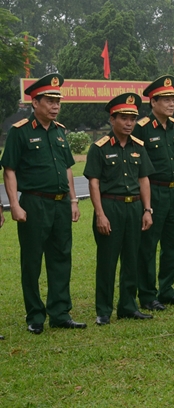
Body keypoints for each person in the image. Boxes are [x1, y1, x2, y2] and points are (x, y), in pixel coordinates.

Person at [0, 73, 86, 334]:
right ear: (34, 102)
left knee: (61, 257)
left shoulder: (60, 133)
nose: (55, 106)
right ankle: (35, 315)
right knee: (32, 260)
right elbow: (10, 170)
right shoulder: (20, 132)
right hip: (35, 203)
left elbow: (69, 169)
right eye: (49, 101)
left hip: (61, 204)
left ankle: (60, 312)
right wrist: (14, 203)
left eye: (57, 101)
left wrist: (73, 200)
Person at [84, 93, 154, 325]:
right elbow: (93, 182)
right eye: (124, 118)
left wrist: (147, 209)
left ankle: (128, 306)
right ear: (112, 119)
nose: (129, 123)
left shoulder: (139, 147)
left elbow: (144, 179)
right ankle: (103, 310)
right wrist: (100, 214)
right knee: (107, 260)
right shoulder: (99, 148)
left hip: (134, 208)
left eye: (132, 119)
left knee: (132, 259)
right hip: (110, 207)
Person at [134, 75, 174, 311]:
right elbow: (136, 164)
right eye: (165, 99)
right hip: (153, 192)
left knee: (173, 243)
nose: (171, 104)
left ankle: (167, 289)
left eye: (173, 99)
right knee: (148, 245)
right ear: (153, 102)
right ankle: (147, 294)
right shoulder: (142, 128)